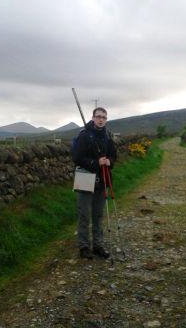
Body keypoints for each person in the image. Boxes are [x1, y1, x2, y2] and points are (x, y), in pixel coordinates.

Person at [72, 107, 117, 259]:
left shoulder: (108, 136)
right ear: (93, 118)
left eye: (104, 117)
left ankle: (98, 246)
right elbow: (77, 157)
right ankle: (84, 247)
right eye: (98, 116)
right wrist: (96, 162)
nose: (101, 119)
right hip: (85, 177)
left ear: (106, 119)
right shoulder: (84, 135)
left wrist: (109, 161)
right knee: (84, 214)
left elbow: (113, 156)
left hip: (102, 179)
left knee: (98, 215)